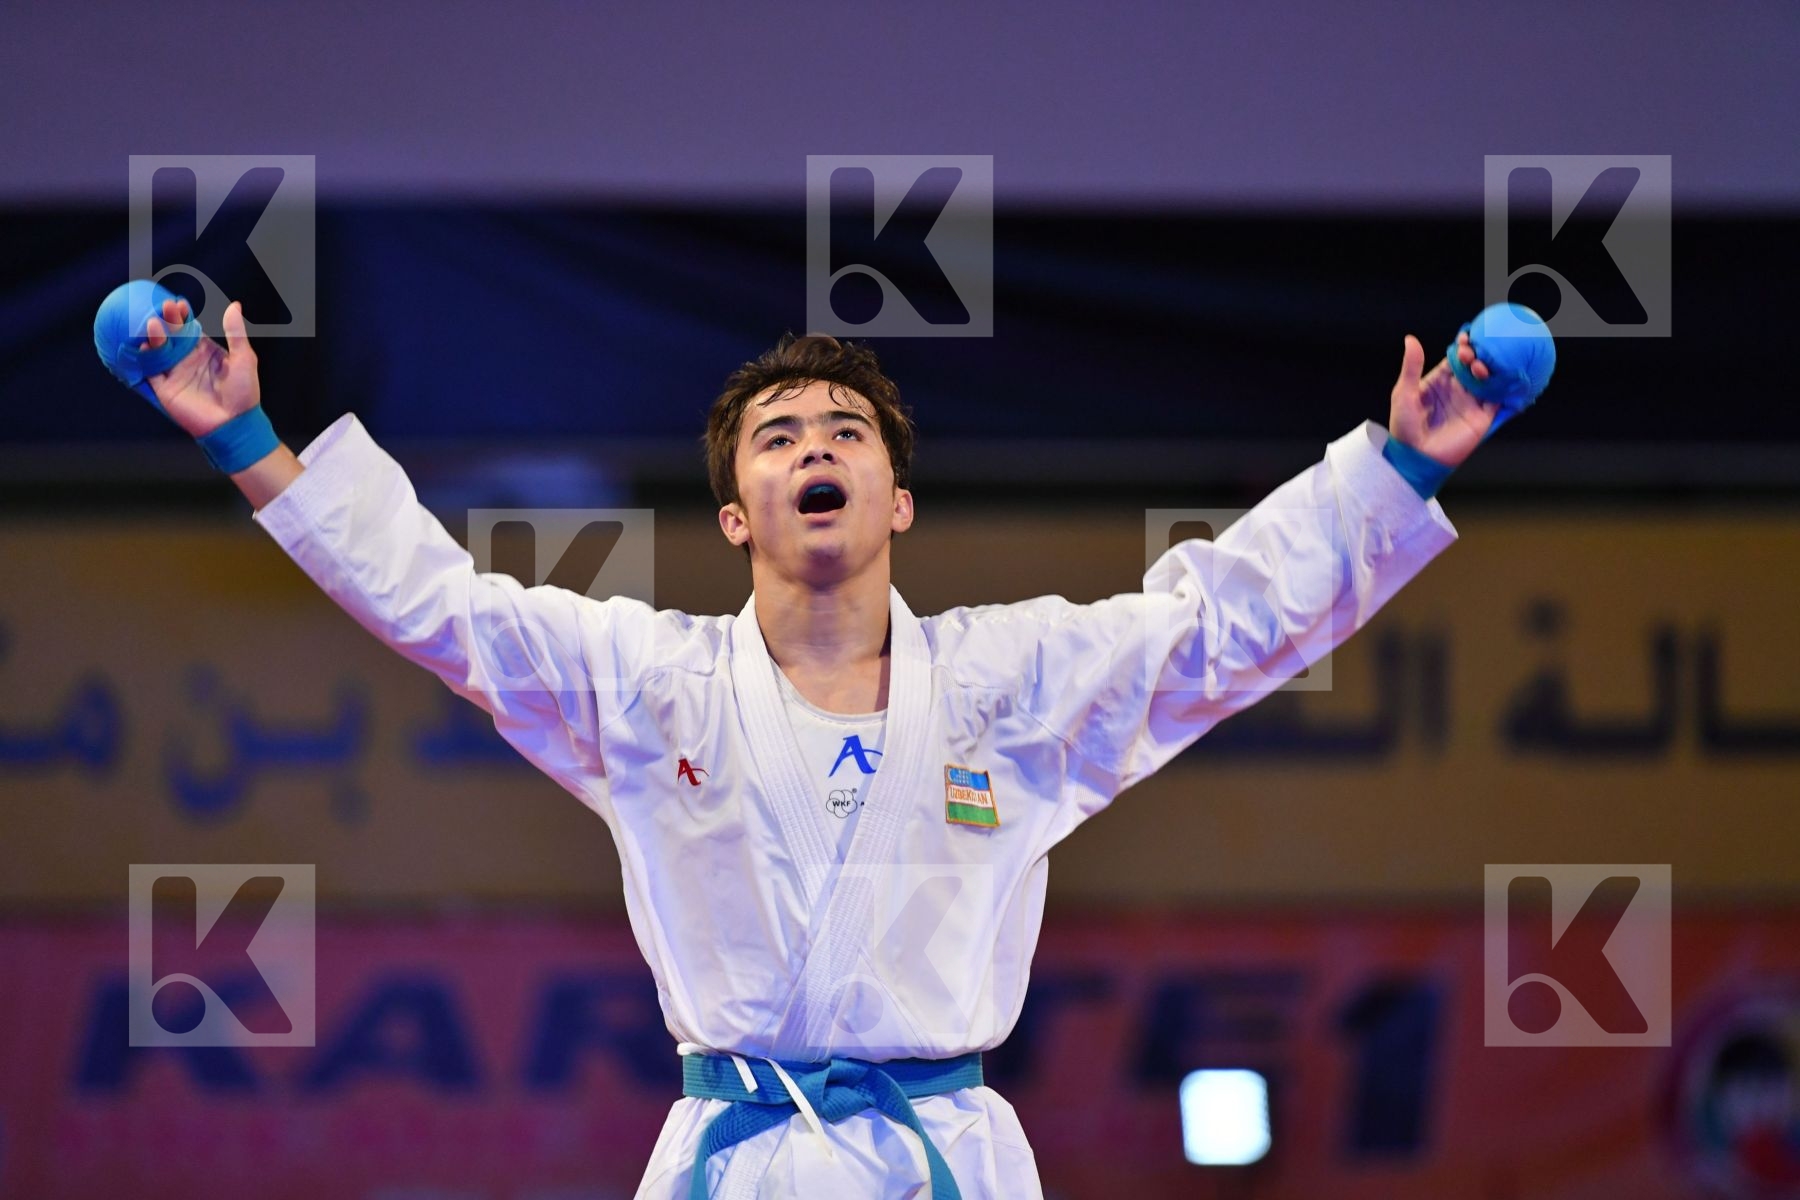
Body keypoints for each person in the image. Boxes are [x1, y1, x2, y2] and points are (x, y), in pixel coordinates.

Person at [123, 293, 1504, 1199]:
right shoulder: (651, 685)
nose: (813, 447)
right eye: (778, 438)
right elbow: (442, 608)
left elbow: (1212, 630)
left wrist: (1400, 469)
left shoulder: (1007, 685)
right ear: (739, 514)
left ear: (897, 498)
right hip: (735, 1163)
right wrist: (250, 437)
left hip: (942, 1161)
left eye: (844, 430)